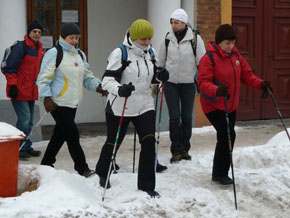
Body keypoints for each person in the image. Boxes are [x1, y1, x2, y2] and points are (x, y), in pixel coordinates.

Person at [95, 19, 169, 198]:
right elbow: (107, 80)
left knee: (149, 142)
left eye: (149, 38)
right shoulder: (119, 54)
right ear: (134, 38)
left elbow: (152, 78)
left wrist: (160, 77)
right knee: (114, 141)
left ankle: (146, 186)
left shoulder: (150, 53)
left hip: (144, 104)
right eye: (143, 39)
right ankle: (103, 171)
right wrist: (119, 90)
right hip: (121, 105)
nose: (147, 42)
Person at [197, 24, 272, 185]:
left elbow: (247, 76)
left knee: (227, 136)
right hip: (214, 105)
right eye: (227, 43)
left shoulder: (236, 57)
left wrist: (261, 84)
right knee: (227, 135)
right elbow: (203, 83)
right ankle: (220, 173)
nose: (230, 46)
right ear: (218, 42)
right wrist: (217, 90)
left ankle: (219, 172)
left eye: (232, 43)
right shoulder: (208, 59)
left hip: (231, 105)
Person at [37, 22, 106, 177]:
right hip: (57, 103)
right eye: (71, 38)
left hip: (73, 102)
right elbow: (43, 78)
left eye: (77, 38)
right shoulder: (54, 53)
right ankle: (82, 168)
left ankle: (46, 164)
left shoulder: (80, 55)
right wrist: (46, 97)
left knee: (60, 134)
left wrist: (98, 86)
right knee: (72, 135)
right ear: (63, 37)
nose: (74, 41)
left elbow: (87, 77)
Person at [158, 9, 206, 163]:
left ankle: (185, 148)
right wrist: (160, 75)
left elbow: (202, 63)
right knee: (174, 117)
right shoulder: (167, 38)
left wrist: (201, 80)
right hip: (171, 83)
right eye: (172, 22)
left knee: (186, 117)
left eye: (176, 22)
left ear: (184, 22)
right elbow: (160, 61)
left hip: (188, 84)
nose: (173, 25)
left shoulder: (195, 39)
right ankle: (176, 150)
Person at [3, 20, 45, 159]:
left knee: (30, 120)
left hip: (31, 90)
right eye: (34, 31)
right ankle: (19, 147)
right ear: (29, 32)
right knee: (24, 119)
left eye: (39, 32)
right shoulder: (21, 47)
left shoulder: (39, 49)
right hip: (19, 89)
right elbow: (10, 68)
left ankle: (26, 146)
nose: (37, 34)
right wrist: (13, 85)